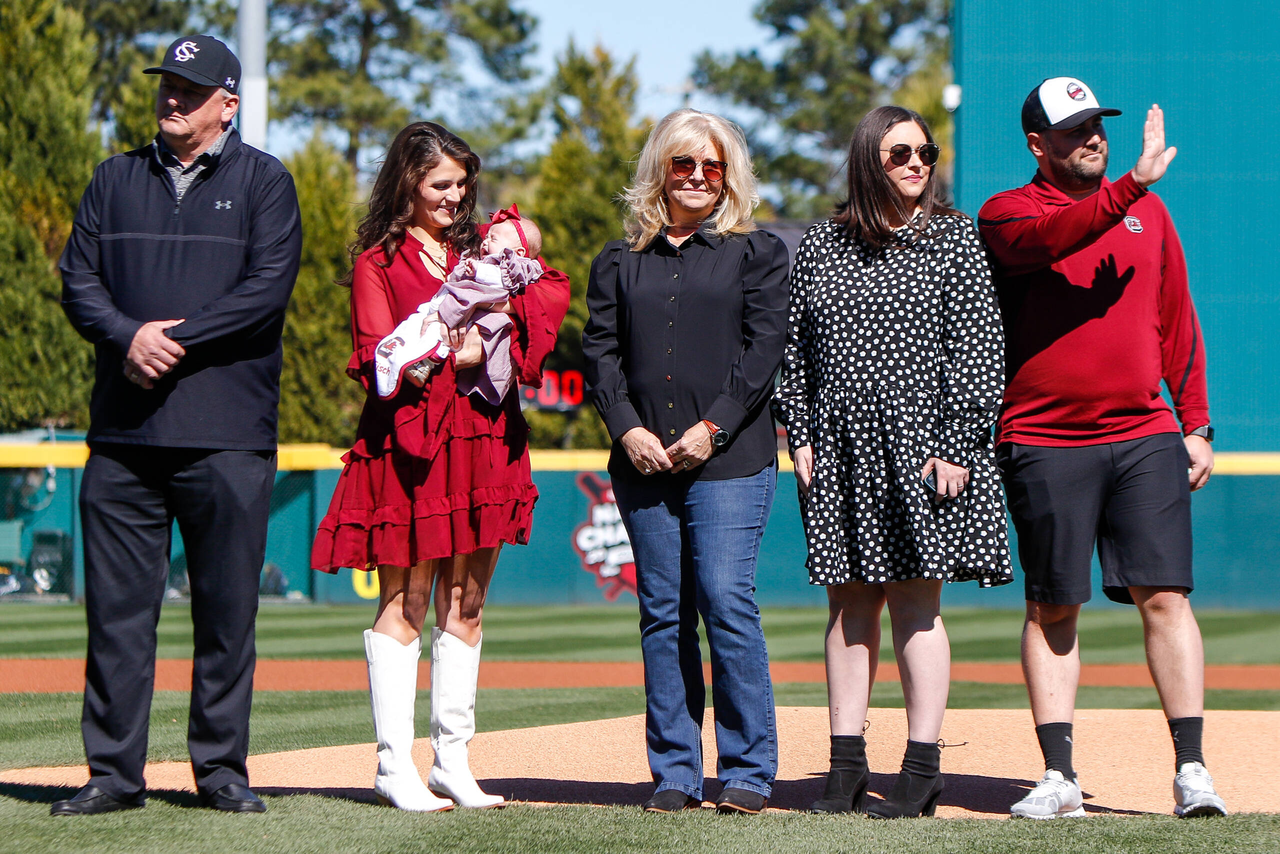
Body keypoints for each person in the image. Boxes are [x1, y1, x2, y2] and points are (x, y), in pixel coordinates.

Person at [55, 35, 301, 815]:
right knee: (117, 620)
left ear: (229, 103)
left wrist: (171, 338)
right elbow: (77, 280)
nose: (171, 99)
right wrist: (128, 335)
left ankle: (222, 771)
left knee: (227, 614)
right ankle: (112, 774)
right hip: (124, 440)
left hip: (227, 436)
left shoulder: (266, 183)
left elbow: (265, 292)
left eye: (190, 90)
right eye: (167, 85)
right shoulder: (113, 179)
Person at [979, 77, 1226, 819]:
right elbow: (1052, 239)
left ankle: (1192, 773)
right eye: (1074, 128)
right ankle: (1059, 777)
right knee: (1053, 607)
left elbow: (1176, 319)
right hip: (1044, 438)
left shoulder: (1148, 211)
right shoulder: (1006, 213)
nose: (1093, 136)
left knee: (1165, 598)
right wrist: (1127, 189)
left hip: (1144, 434)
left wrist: (1197, 423)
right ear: (1037, 145)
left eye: (1097, 124)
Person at [310, 123, 570, 812]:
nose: (454, 197)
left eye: (462, 184)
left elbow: (533, 311)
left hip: (485, 436)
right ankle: (396, 769)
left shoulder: (483, 248)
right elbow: (374, 356)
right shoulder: (377, 261)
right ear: (407, 183)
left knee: (469, 603)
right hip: (413, 443)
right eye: (439, 185)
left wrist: (499, 327)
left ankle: (453, 762)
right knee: (407, 600)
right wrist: (450, 354)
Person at [773, 106, 1012, 819]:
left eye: (925, 151)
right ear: (867, 161)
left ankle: (921, 766)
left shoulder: (954, 236)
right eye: (899, 152)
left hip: (925, 444)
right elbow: (794, 350)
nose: (917, 162)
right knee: (847, 603)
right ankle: (844, 766)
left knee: (915, 601)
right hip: (840, 445)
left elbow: (980, 348)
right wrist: (803, 435)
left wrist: (959, 444)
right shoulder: (820, 242)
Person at [582, 109, 789, 815]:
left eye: (712, 165)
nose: (698, 177)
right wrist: (625, 428)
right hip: (643, 462)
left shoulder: (756, 252)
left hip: (728, 460)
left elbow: (763, 354)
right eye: (683, 164)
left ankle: (749, 771)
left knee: (727, 603)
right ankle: (675, 770)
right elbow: (600, 354)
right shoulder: (619, 259)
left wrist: (714, 427)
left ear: (729, 174)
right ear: (660, 171)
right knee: (662, 614)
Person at [375, 206, 544, 403]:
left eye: (493, 239)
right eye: (486, 237)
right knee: (420, 319)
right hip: (455, 301)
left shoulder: (519, 266)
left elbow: (501, 279)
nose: (486, 241)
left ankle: (424, 361)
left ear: (519, 251)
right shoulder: (484, 259)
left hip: (472, 308)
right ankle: (396, 344)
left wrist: (477, 271)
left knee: (441, 332)